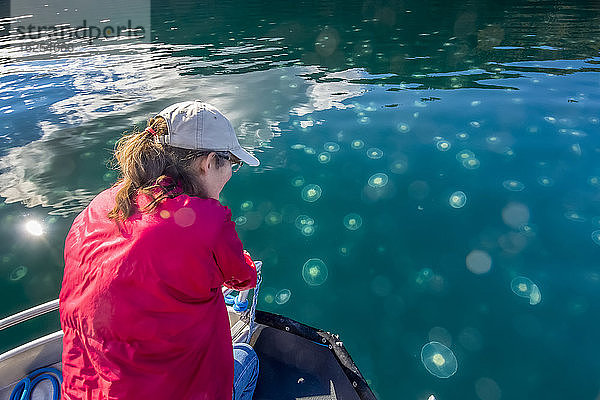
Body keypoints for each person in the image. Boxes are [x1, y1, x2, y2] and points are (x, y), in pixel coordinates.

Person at [59, 101, 261, 400]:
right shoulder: (209, 220)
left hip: (82, 391)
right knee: (247, 358)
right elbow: (243, 278)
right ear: (208, 163)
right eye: (233, 162)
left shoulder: (100, 204)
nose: (232, 171)